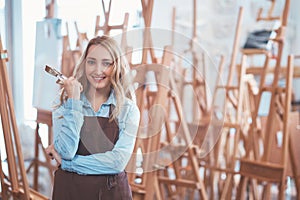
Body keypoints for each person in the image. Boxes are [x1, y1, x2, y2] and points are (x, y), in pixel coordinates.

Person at [46, 35, 140, 200]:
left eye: (106, 63)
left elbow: (117, 162)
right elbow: (66, 151)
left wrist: (69, 165)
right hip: (70, 192)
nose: (98, 70)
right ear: (84, 64)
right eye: (91, 62)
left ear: (116, 67)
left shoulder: (128, 109)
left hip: (112, 194)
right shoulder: (64, 103)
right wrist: (74, 102)